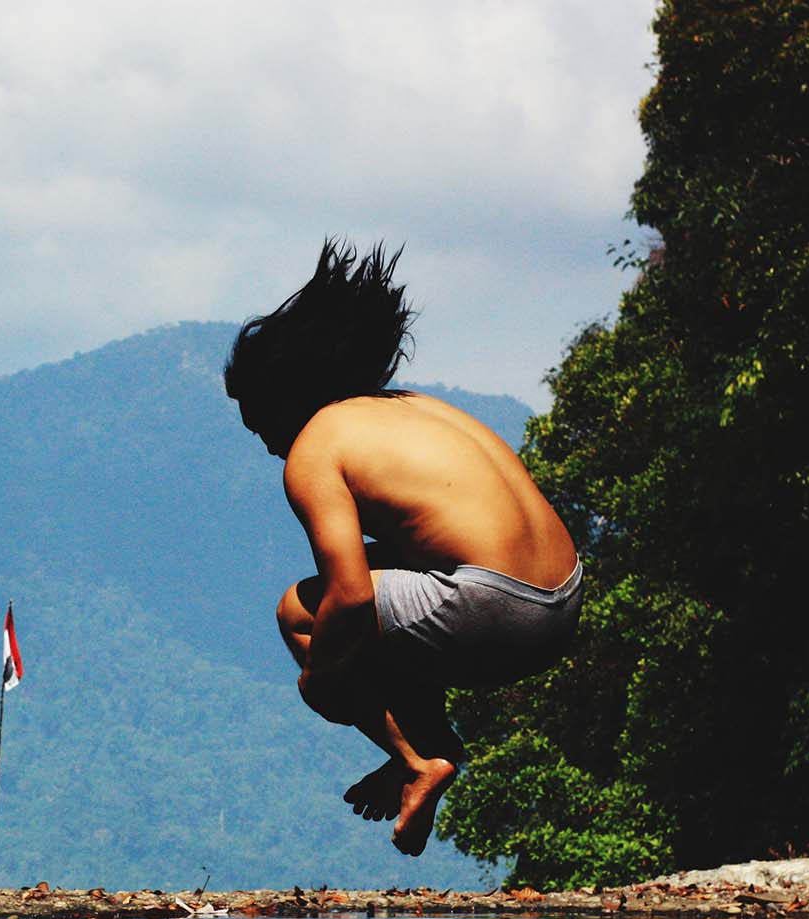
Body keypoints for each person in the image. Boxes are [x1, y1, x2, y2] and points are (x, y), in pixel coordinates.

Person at [224, 240, 582, 855]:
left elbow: (354, 598)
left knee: (302, 614)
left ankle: (421, 759)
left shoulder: (316, 446)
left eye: (259, 423)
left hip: (497, 610)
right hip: (566, 600)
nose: (265, 444)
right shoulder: (413, 406)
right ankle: (421, 752)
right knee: (381, 591)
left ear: (287, 397)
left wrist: (322, 684)